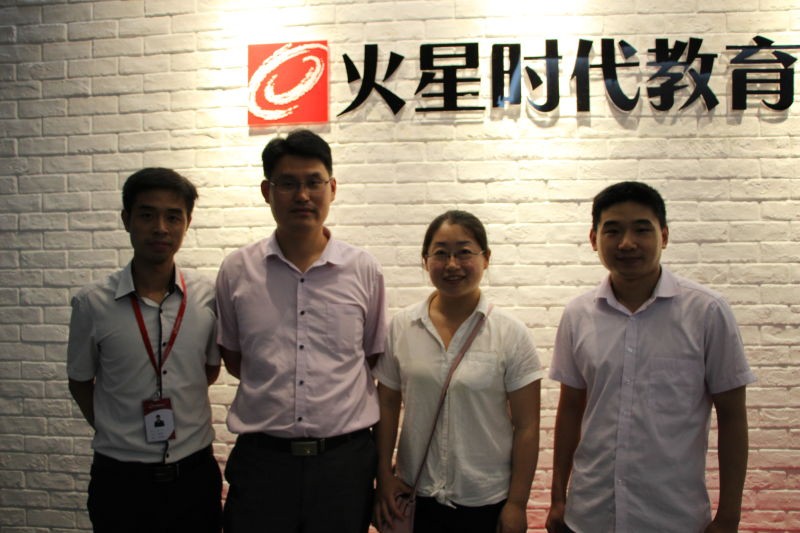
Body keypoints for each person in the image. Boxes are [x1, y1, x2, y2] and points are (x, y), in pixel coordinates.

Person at [546, 181, 756, 533]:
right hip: (590, 515)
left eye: (642, 229)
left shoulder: (707, 312)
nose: (627, 243)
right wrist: (558, 498)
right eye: (613, 230)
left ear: (665, 235)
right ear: (594, 239)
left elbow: (733, 416)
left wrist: (729, 516)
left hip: (673, 517)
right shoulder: (577, 314)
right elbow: (570, 409)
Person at [216, 129, 387, 533]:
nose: (303, 195)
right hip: (263, 464)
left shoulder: (363, 269)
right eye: (288, 184)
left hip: (343, 466)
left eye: (314, 182)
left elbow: (370, 357)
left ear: (332, 188)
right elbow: (236, 359)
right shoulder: (237, 270)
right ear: (267, 191)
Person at [67, 168, 222, 533]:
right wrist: (116, 428)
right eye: (147, 215)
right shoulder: (92, 303)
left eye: (173, 217)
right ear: (127, 220)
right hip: (121, 481)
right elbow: (80, 381)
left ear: (187, 223)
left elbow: (209, 369)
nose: (160, 228)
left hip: (194, 476)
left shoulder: (208, 298)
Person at [374, 210, 543, 533]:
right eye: (440, 253)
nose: (452, 265)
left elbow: (527, 426)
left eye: (464, 252)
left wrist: (517, 503)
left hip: (486, 498)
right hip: (416, 493)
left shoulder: (510, 333)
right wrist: (383, 475)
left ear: (486, 258)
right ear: (425, 261)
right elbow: (387, 405)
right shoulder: (403, 327)